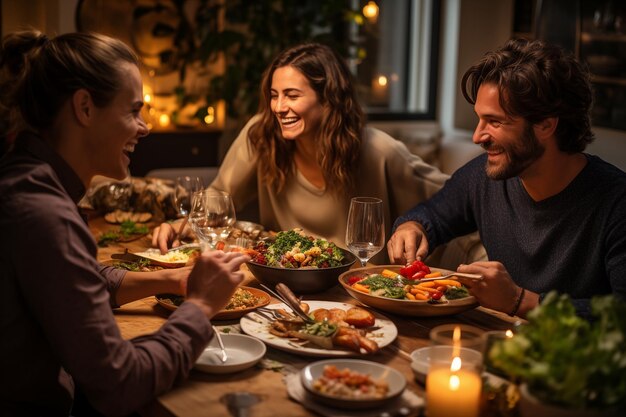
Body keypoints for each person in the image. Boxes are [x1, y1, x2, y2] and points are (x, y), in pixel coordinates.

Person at [0, 30, 249, 416]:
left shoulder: (26, 178)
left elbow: (76, 280)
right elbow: (119, 384)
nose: (145, 126)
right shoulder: (43, 213)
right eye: (133, 110)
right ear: (84, 108)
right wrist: (200, 305)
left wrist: (174, 279)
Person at [153, 43, 471, 265]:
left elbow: (461, 199)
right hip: (281, 284)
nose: (279, 107)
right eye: (274, 95)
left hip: (357, 294)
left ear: (328, 98)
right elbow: (219, 197)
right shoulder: (261, 135)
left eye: (292, 95)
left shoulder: (378, 151)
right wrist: (177, 225)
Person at [387, 38, 626, 319]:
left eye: (495, 121)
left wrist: (521, 300)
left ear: (546, 125)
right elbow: (432, 214)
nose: (477, 136)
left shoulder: (616, 204)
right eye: (479, 119)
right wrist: (413, 227)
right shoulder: (484, 176)